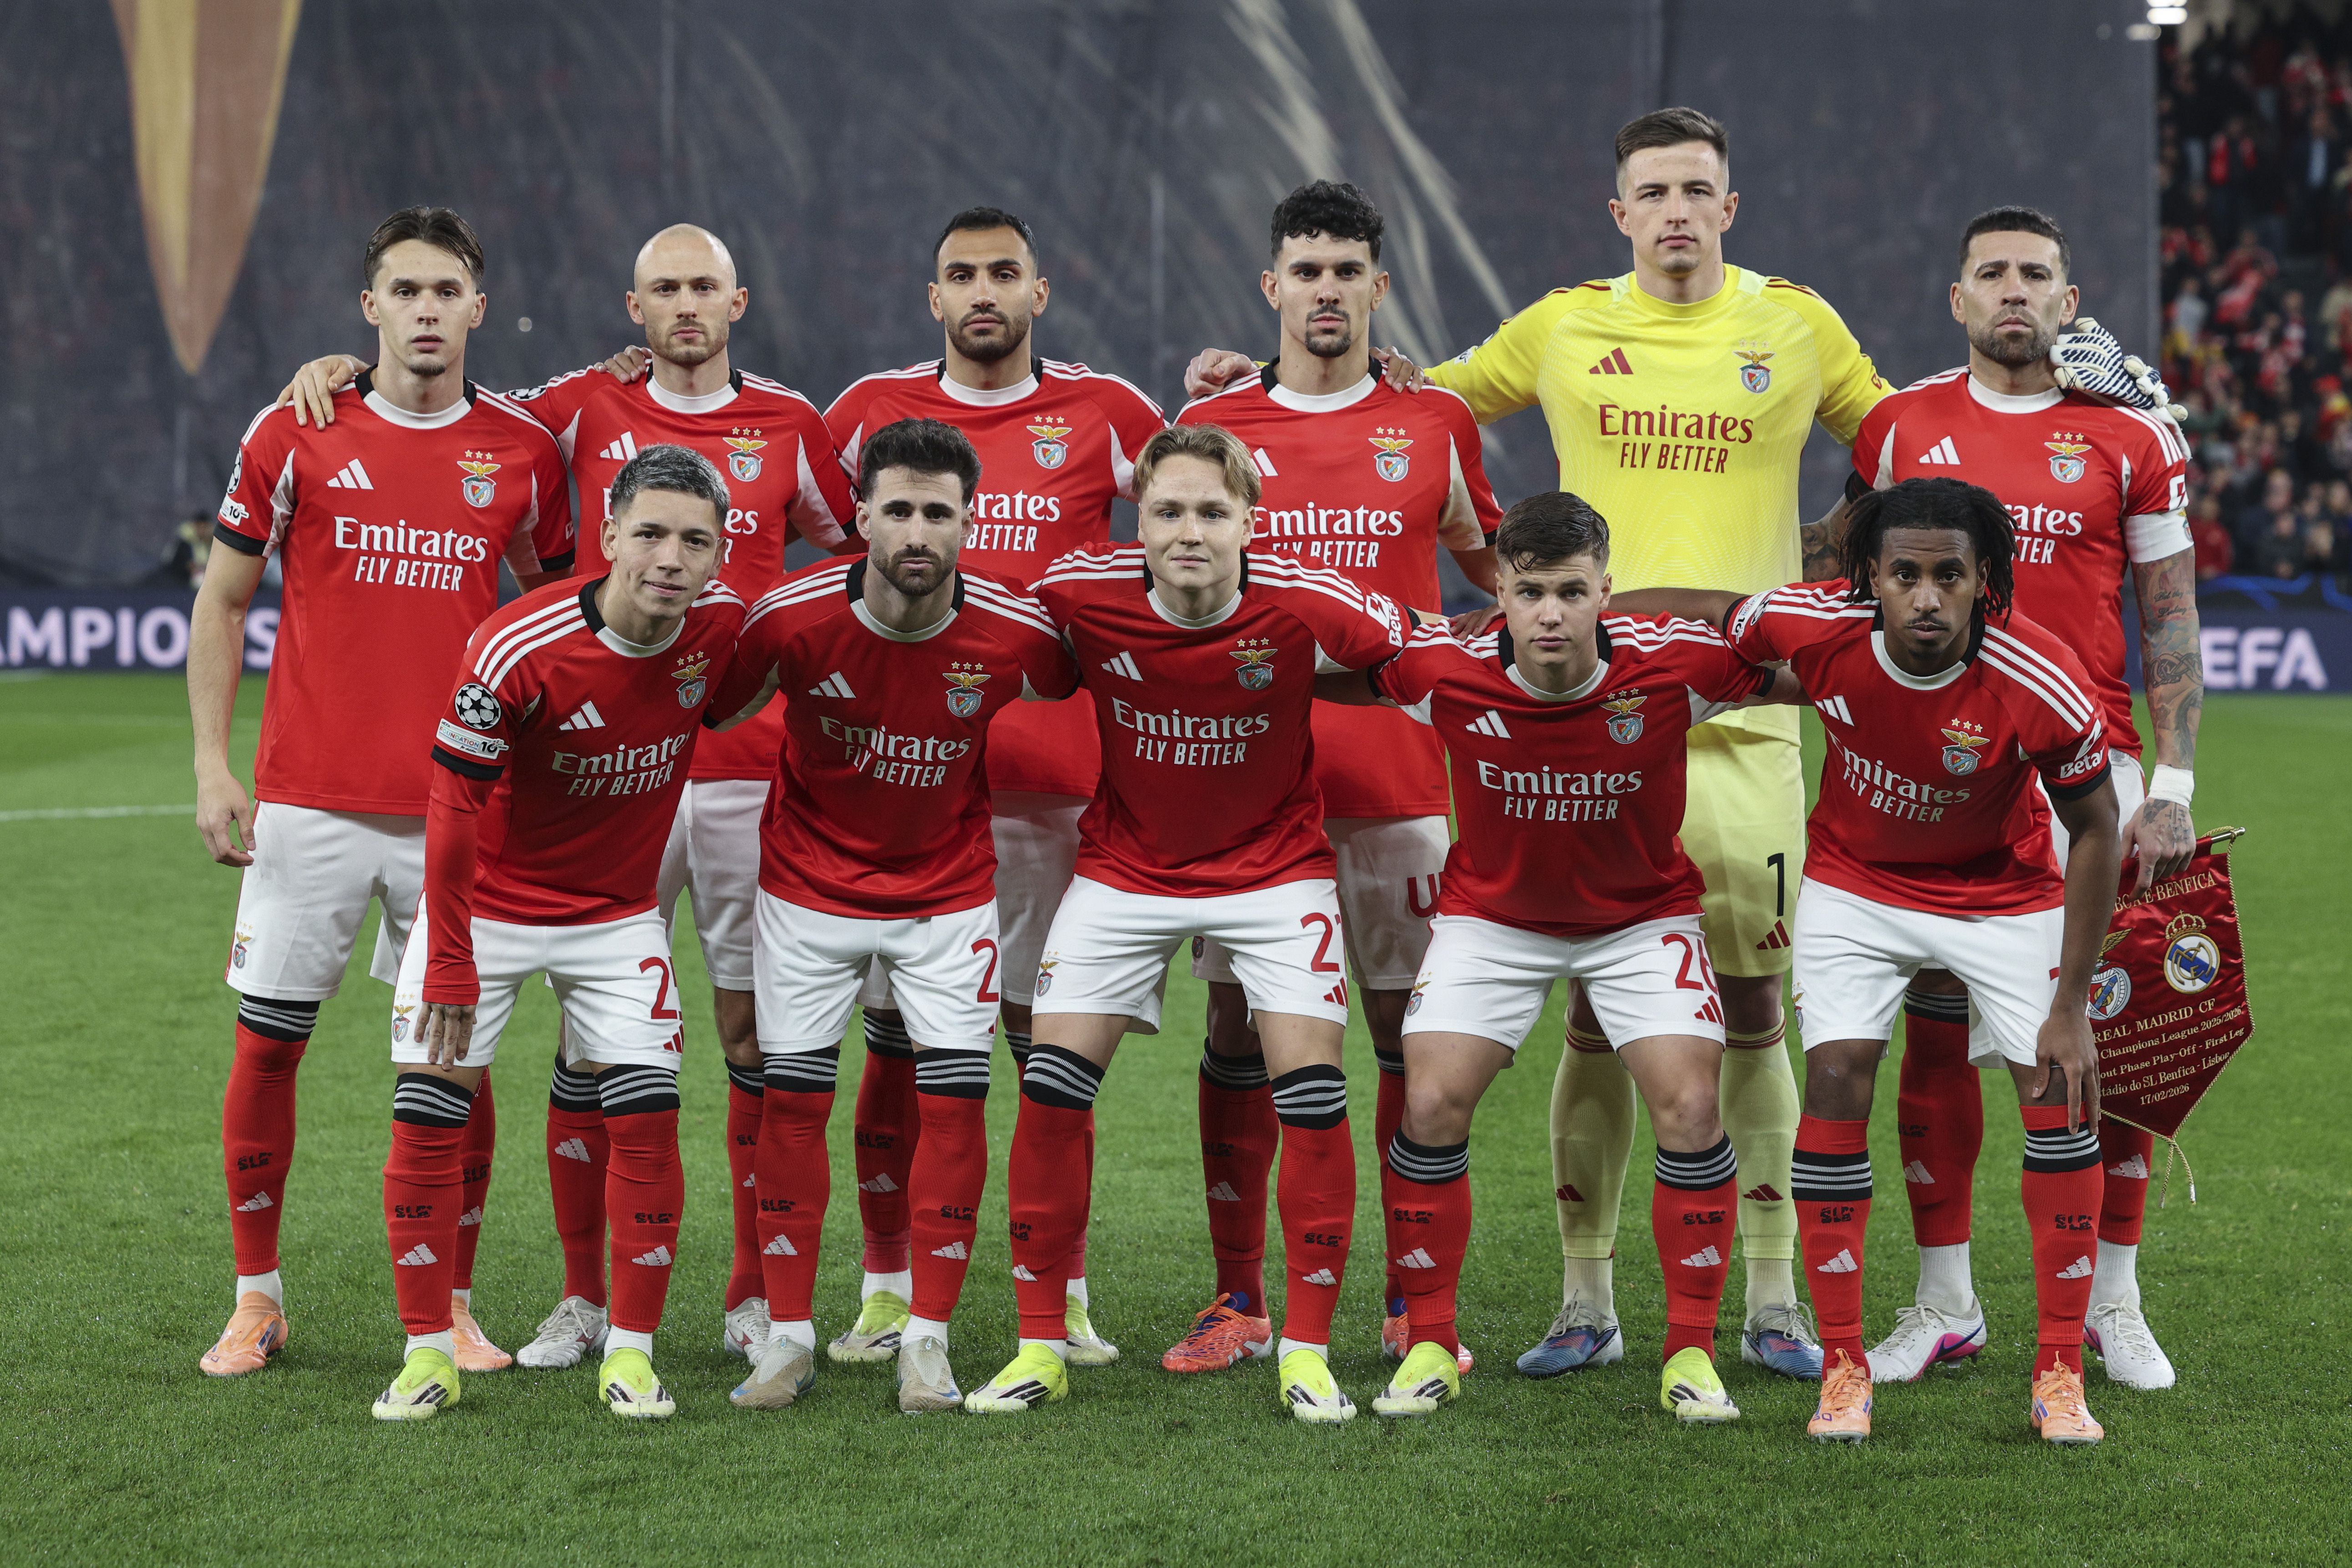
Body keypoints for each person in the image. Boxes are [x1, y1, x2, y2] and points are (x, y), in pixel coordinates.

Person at [274, 224, 860, 1370]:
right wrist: (340, 370)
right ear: (633, 307)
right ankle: (585, 1302)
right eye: (664, 288)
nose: (686, 305)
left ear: (738, 301)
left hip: (738, 770)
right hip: (592, 770)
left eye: (703, 287)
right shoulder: (577, 406)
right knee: (594, 1041)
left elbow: (844, 562)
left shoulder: (794, 422)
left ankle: (750, 1296)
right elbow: (452, 404)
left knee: (751, 1032)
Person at [1623, 477, 2124, 1446]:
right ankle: (1844, 1368)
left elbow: (2097, 829)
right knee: (1837, 1074)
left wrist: (2071, 1003)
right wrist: (1590, 614)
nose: (1926, 597)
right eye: (1904, 575)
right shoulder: (1815, 626)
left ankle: (2060, 1371)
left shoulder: (2038, 675)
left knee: (2056, 1090)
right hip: (1858, 887)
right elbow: (1711, 609)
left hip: (2001, 892)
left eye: (1949, 576)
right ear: (1870, 578)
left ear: (1985, 581)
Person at [1317, 491, 1800, 1423]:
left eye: (1572, 592)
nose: (1550, 614)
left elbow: (1813, 677)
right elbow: (1328, 672)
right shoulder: (1443, 666)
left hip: (1639, 920)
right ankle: (1430, 1340)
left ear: (1604, 593)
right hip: (1493, 920)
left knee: (1692, 1106)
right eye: (1530, 591)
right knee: (1428, 1101)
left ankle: (1691, 1352)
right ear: (1498, 591)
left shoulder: (1675, 665)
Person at [190, 207, 573, 1380]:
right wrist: (212, 763)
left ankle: (451, 1304)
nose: (425, 310)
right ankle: (255, 1299)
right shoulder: (296, 428)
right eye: (403, 290)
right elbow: (222, 600)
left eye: (445, 290)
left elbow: (559, 615)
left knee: (457, 1061)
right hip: (307, 804)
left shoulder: (522, 451)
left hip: (459, 812)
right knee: (269, 1047)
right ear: (369, 308)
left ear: (479, 307)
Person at [964, 423, 1408, 1421]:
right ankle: (1039, 1346)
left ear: (1251, 520)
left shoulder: (1306, 597)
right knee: (1051, 1088)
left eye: (1213, 511)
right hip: (1124, 872)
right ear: (1140, 520)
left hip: (1276, 873)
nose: (1189, 531)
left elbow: (1410, 652)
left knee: (1312, 1097)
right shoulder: (1080, 590)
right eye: (1167, 510)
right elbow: (998, 638)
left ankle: (1305, 1352)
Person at [1845, 207, 2202, 1391]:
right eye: (1991, 272)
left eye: (2034, 274)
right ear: (1956, 299)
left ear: (2067, 298)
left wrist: (2174, 783)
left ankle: (2113, 1301)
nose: (2013, 289)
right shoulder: (1900, 425)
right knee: (1936, 1034)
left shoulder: (2131, 432)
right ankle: (1945, 1302)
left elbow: (2169, 611)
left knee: (2112, 1040)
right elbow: (1845, 578)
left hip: (2089, 778)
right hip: (1941, 776)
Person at [816, 207, 1164, 1366]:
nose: (982, 291)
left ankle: (1061, 1291)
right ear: (932, 298)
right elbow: (765, 499)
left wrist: (1254, 377)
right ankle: (883, 1288)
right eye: (960, 274)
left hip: (1054, 792)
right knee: (894, 1048)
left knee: (1046, 1058)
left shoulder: (1107, 411)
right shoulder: (867, 412)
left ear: (1039, 292)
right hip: (899, 789)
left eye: (1003, 272)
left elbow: (1210, 493)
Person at [1163, 180, 1499, 1375]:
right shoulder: (1214, 424)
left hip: (1399, 783)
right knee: (1239, 1028)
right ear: (1272, 286)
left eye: (1345, 270)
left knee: (1408, 1033)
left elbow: (1495, 570)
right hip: (1251, 789)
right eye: (1305, 270)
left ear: (1377, 286)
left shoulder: (1435, 420)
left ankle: (1411, 1299)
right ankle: (1239, 1298)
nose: (1325, 289)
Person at [709, 418, 1077, 1414]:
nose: (919, 532)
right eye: (900, 510)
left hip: (947, 897)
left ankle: (928, 1340)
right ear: (862, 516)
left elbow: (1091, 668)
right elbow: (704, 701)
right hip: (806, 893)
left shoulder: (1017, 629)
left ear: (971, 521)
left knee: (955, 1104)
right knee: (792, 1104)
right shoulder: (787, 619)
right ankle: (788, 1338)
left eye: (939, 514)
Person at [374, 444, 742, 1422]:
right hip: (486, 914)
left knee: (648, 1121)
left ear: (719, 555)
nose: (670, 558)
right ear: (609, 535)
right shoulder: (516, 646)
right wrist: (449, 956)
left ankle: (632, 1353)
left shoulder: (722, 629)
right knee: (427, 1119)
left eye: (695, 541)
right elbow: (452, 809)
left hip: (616, 920)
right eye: (650, 533)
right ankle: (425, 1352)